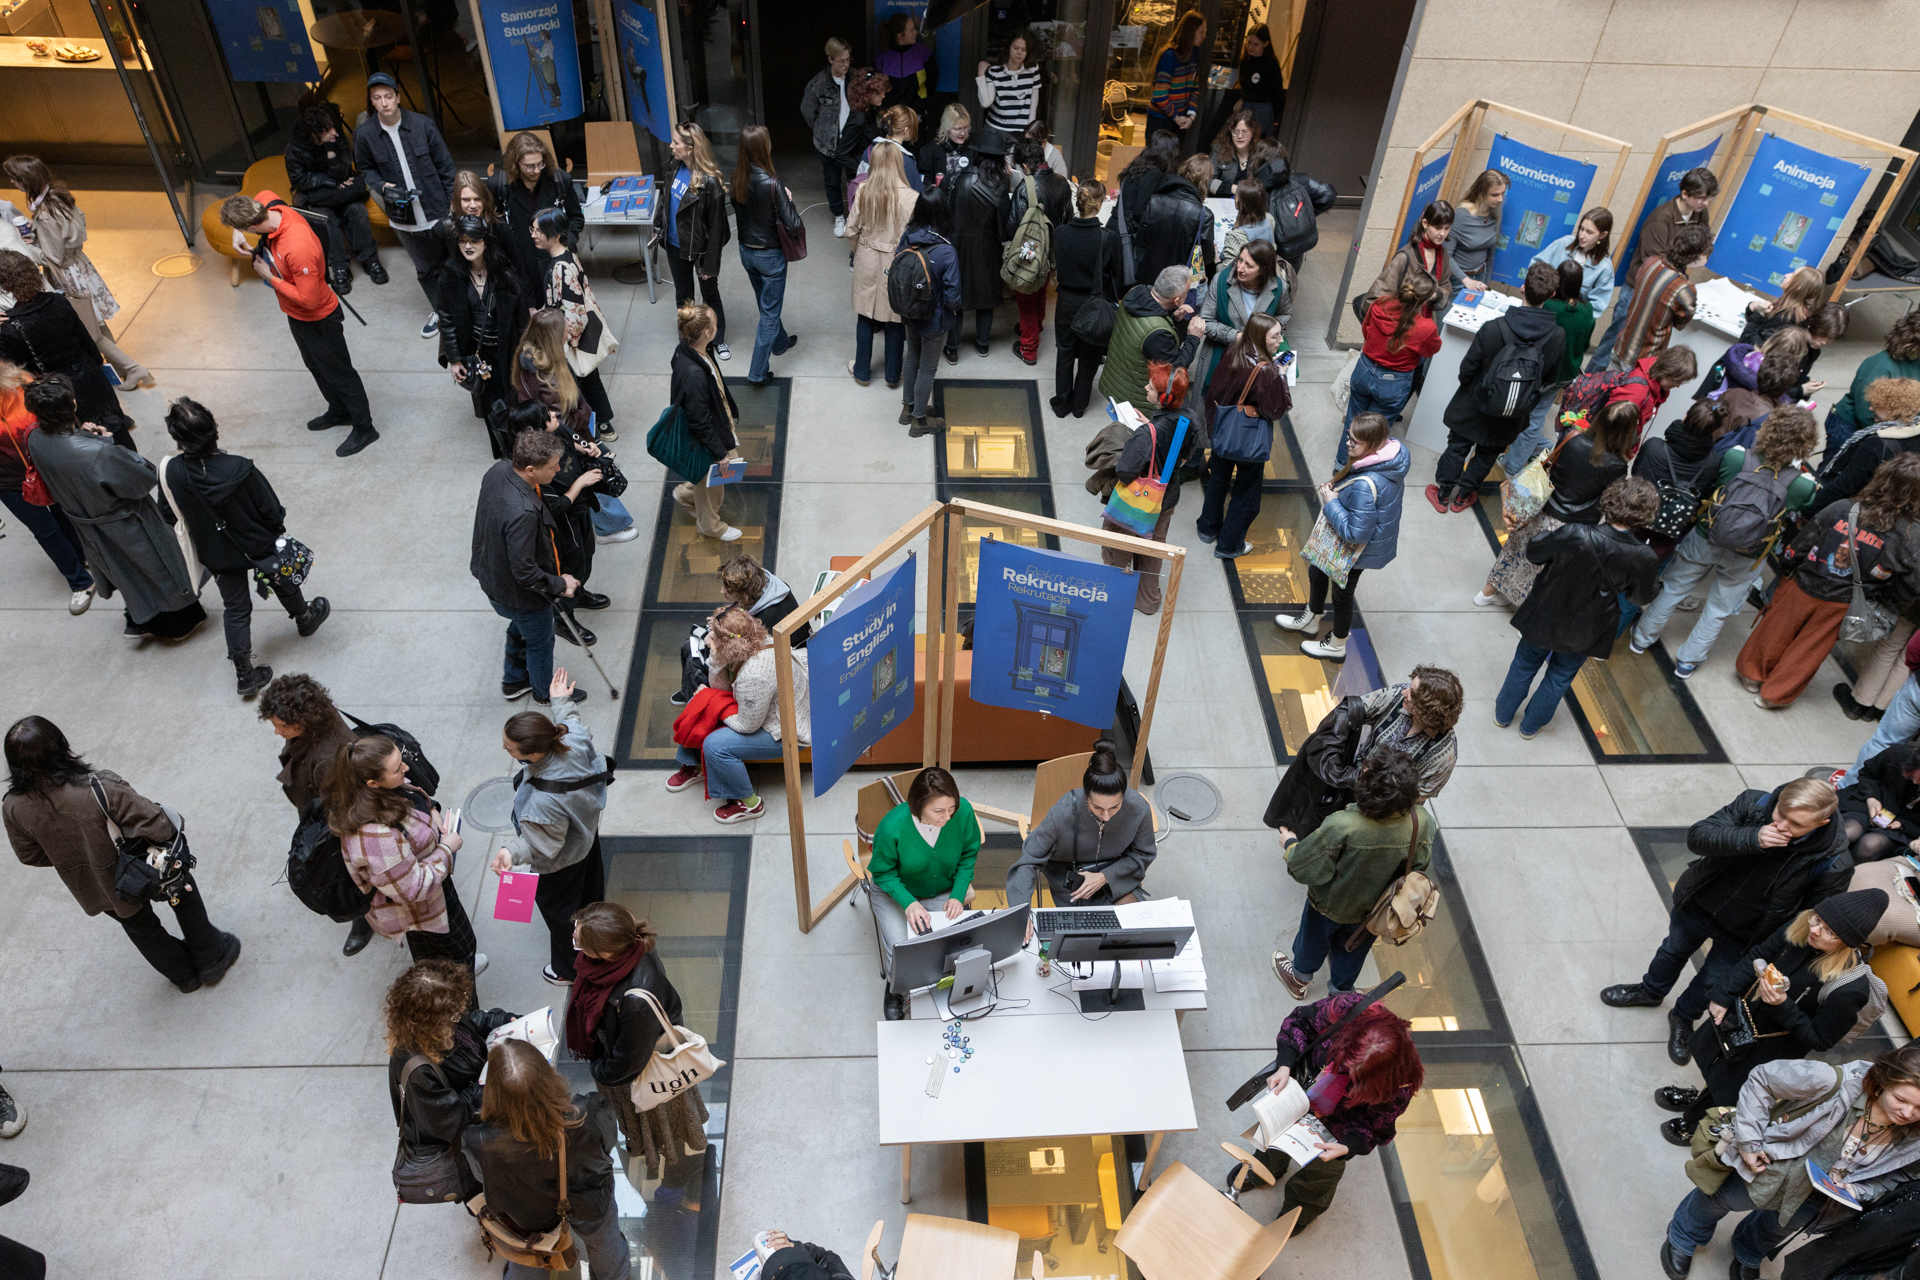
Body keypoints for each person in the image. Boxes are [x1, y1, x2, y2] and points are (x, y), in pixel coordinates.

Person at [1601, 776, 1849, 1068]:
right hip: (1701, 902)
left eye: (1795, 824)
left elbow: (1808, 918)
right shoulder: (1754, 803)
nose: (1782, 826)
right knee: (1672, 950)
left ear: (1820, 823)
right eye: (1781, 813)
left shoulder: (1833, 862)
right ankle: (1651, 990)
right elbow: (1699, 836)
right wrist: (1752, 838)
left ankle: (1683, 1017)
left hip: (1746, 932)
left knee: (1712, 980)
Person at [4, 714, 241, 992]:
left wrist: (75, 859)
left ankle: (185, 977)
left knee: (141, 928)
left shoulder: (13, 807)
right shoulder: (98, 788)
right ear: (60, 746)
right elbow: (157, 825)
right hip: (143, 867)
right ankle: (212, 958)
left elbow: (29, 855)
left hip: (96, 887)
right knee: (182, 893)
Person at [1658, 1045, 1920, 1280]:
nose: (1908, 1113)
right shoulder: (1833, 1080)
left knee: (1778, 1227)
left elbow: (1899, 1176)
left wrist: (1858, 1189)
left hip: (1821, 1196)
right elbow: (1762, 1079)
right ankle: (1684, 1234)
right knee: (1720, 1199)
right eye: (1901, 1099)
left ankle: (1748, 1249)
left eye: (1919, 1108)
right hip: (1774, 1165)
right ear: (1884, 1081)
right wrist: (1749, 1141)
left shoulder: (1916, 1139)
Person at [1660, 889, 1885, 1147]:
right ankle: (1700, 1100)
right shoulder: (1801, 927)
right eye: (1817, 918)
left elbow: (1820, 1040)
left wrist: (1782, 1006)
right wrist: (1723, 994)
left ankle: (1697, 1121)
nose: (1815, 930)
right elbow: (1759, 953)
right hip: (1744, 1016)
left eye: (1829, 932)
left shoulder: (1850, 989)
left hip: (1771, 1045)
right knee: (1713, 1062)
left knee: (1728, 1084)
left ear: (1847, 942)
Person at [155, 397, 330, 696]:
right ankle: (304, 618)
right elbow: (272, 511)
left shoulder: (171, 472)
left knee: (236, 608)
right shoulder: (240, 467)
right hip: (258, 542)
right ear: (214, 429)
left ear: (178, 438)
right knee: (281, 579)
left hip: (216, 552)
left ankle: (245, 674)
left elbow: (169, 515)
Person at [1629, 408, 1821, 678]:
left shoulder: (1736, 457)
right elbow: (1801, 507)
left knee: (1673, 588)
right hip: (1750, 552)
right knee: (1718, 610)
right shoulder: (1803, 485)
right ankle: (1688, 661)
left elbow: (1718, 483)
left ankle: (1641, 638)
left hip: (1707, 535)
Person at [25, 376, 205, 639]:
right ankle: (179, 625)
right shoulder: (97, 452)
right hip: (126, 521)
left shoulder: (34, 438)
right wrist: (104, 442)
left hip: (87, 523)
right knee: (160, 570)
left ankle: (140, 619)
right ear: (72, 404)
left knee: (126, 574)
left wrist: (85, 437)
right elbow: (143, 477)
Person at [1740, 455, 1920, 708]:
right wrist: (1884, 597)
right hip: (1845, 602)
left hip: (1805, 582)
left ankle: (1751, 675)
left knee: (1775, 630)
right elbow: (1913, 583)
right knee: (1810, 649)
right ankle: (1773, 695)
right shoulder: (1912, 536)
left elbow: (1803, 542)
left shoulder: (1843, 508)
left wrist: (1789, 569)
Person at [1493, 477, 1662, 738]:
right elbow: (1640, 597)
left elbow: (1535, 554)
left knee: (1524, 663)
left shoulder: (1576, 533)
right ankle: (1530, 727)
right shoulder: (1644, 556)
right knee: (1560, 676)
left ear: (1610, 500)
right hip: (1590, 626)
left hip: (1546, 612)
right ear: (1645, 515)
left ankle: (1503, 715)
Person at [1242, 994, 1424, 1230]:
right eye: (1345, 1062)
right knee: (1274, 1136)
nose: (1344, 1072)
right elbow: (1299, 1023)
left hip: (1337, 1130)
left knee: (1318, 1178)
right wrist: (1285, 1064)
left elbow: (1375, 1127)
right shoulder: (1347, 1009)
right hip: (1299, 1093)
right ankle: (1262, 1171)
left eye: (1356, 1076)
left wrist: (1347, 1146)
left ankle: (1299, 1213)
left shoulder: (1397, 1087)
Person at [217, 193, 376, 456]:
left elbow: (309, 300)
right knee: (315, 366)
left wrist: (270, 277)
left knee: (340, 373)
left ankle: (364, 427)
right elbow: (262, 194)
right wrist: (236, 231)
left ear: (253, 226)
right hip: (296, 315)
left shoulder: (297, 246)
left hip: (319, 318)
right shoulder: (268, 204)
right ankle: (340, 411)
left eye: (244, 229)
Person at [564, 901, 710, 1180]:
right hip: (629, 1046)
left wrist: (598, 1070)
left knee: (655, 1122)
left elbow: (628, 1064)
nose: (574, 941)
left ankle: (672, 1170)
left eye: (579, 940)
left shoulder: (634, 1001)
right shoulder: (633, 946)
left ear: (604, 952)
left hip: (643, 1072)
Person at [1272, 749, 1433, 999]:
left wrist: (1291, 845)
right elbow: (1420, 866)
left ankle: (1299, 978)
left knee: (1313, 939)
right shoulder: (1421, 821)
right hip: (1377, 908)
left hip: (1330, 903)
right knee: (1355, 949)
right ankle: (1340, 995)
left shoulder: (1343, 824)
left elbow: (1306, 868)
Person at [464, 1040, 631, 1280]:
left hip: (527, 1214)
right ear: (547, 1078)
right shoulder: (587, 1113)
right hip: (587, 1197)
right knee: (603, 1241)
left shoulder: (478, 1139)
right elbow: (607, 1145)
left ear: (492, 1091)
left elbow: (482, 1177)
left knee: (529, 1253)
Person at [488, 673, 609, 986]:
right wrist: (560, 701)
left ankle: (569, 969)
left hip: (561, 862)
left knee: (563, 916)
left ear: (531, 754)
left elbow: (545, 847)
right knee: (590, 891)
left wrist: (510, 851)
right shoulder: (571, 740)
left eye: (508, 748)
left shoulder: (542, 803)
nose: (504, 748)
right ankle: (598, 925)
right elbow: (572, 721)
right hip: (586, 834)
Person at [328, 733, 484, 974]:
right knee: (450, 963)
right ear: (372, 783)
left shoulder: (382, 790)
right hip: (420, 910)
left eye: (401, 760)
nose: (406, 768)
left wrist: (432, 810)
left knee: (461, 948)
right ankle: (463, 991)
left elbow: (415, 800)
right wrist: (446, 850)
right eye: (397, 768)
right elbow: (412, 888)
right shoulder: (375, 836)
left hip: (436, 885)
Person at [1426, 261, 1567, 513]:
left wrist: (1474, 391)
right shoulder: (1557, 336)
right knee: (1488, 454)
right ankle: (1463, 497)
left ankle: (1443, 495)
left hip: (1475, 402)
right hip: (1513, 411)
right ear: (1552, 295)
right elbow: (1549, 379)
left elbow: (1467, 369)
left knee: (1457, 448)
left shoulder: (1494, 328)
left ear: (1522, 288)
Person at [2, 154, 153, 386]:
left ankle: (134, 368)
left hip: (67, 276)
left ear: (25, 179)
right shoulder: (58, 195)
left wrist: (27, 247)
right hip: (81, 268)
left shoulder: (45, 213)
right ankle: (123, 368)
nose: (12, 182)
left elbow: (54, 257)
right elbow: (71, 230)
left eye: (14, 178)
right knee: (98, 324)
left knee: (89, 329)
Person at [1479, 400, 1640, 608]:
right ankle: (1523, 609)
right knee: (1543, 570)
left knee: (1514, 549)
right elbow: (1609, 501)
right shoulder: (1617, 465)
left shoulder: (1573, 438)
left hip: (1539, 507)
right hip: (1572, 525)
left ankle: (1486, 593)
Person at [1276, 412, 1411, 659]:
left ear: (1372, 444)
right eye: (1349, 437)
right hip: (1366, 542)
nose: (1348, 444)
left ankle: (1337, 644)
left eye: (1354, 441)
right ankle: (1313, 616)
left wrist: (1331, 502)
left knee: (1342, 594)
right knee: (1317, 570)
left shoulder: (1365, 482)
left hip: (1357, 552)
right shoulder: (1388, 459)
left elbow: (1355, 534)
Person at [258, 672, 371, 955]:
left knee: (347, 871)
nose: (277, 732)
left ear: (303, 721)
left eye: (281, 725)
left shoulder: (327, 759)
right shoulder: (318, 717)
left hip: (336, 817)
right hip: (320, 801)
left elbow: (342, 814)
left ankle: (362, 917)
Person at [384, 960, 515, 1202]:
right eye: (453, 1013)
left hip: (485, 1108)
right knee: (484, 1187)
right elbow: (452, 1120)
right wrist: (489, 1081)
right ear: (429, 1021)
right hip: (466, 1140)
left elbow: (472, 1021)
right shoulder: (417, 1070)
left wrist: (501, 1021)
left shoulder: (446, 1021)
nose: (460, 1013)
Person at [664, 605, 809, 823]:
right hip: (768, 710)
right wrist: (716, 657)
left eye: (714, 636)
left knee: (715, 745)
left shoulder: (755, 675)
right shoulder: (758, 640)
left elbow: (746, 726)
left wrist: (714, 704)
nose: (709, 638)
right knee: (701, 702)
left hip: (786, 731)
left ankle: (749, 804)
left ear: (727, 642)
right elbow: (722, 688)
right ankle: (693, 766)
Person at [471, 428, 584, 706]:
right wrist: (561, 584)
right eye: (552, 466)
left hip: (494, 578)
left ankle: (514, 680)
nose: (558, 470)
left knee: (522, 626)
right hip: (520, 595)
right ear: (531, 470)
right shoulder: (521, 513)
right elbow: (525, 572)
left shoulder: (498, 471)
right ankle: (544, 692)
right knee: (541, 641)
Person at [865, 766, 980, 1018]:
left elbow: (968, 855)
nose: (947, 817)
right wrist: (908, 902)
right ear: (918, 806)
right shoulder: (893, 826)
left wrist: (957, 894)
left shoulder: (963, 813)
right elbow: (882, 873)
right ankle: (896, 989)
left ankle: (941, 985)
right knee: (902, 949)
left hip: (941, 888)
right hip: (894, 892)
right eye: (939, 811)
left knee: (953, 943)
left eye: (952, 808)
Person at [350, 73, 454, 340]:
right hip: (402, 217)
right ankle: (441, 312)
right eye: (377, 98)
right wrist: (381, 185)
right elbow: (365, 167)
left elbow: (445, 166)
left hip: (437, 209)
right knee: (424, 268)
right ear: (371, 102)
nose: (384, 103)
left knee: (454, 262)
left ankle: (466, 310)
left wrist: (452, 204)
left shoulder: (422, 124)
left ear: (397, 97)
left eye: (388, 96)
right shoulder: (365, 134)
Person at [1588, 166, 1717, 373]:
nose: (1706, 203)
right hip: (1639, 288)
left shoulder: (1700, 214)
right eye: (1701, 198)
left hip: (1666, 286)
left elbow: (1704, 243)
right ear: (1685, 194)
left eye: (1708, 198)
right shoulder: (1660, 219)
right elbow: (1658, 263)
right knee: (1614, 343)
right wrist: (1692, 264)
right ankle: (1587, 383)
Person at [1104, 361, 1205, 614]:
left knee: (1118, 547)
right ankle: (1148, 601)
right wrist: (1150, 424)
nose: (1145, 388)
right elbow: (1183, 456)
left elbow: (1125, 472)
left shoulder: (1145, 436)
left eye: (1150, 387)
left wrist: (1144, 433)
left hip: (1137, 501)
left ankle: (1114, 596)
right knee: (1152, 549)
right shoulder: (1190, 419)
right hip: (1166, 499)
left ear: (1164, 398)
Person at [0, 249, 130, 443]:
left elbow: (15, 375)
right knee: (116, 429)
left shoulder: (10, 328)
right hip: (89, 375)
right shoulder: (59, 301)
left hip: (59, 394)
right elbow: (88, 344)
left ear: (5, 284)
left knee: (87, 442)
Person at [1006, 741, 1156, 909]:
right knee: (1083, 925)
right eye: (1097, 807)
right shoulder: (1063, 813)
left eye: (1115, 807)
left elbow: (1143, 854)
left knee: (1133, 921)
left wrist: (1104, 877)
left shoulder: (1137, 808)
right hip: (1071, 885)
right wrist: (1020, 910)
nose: (1106, 816)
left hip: (1116, 880)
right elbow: (1027, 862)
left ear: (1123, 796)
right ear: (1085, 797)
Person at [0, 360, 92, 612]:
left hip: (46, 466)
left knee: (66, 514)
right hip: (8, 482)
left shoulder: (22, 384)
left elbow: (51, 419)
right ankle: (80, 582)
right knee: (46, 532)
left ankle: (82, 556)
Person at [1199, 314, 1293, 558]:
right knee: (1246, 493)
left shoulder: (1234, 349)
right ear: (1261, 338)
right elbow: (1276, 410)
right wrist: (1281, 374)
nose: (1280, 341)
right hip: (1248, 440)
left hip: (1223, 429)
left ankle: (1207, 528)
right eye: (1275, 336)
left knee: (1218, 480)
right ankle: (1229, 545)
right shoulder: (1266, 371)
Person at [1494, 258, 1597, 477]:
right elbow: (1585, 344)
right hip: (1566, 373)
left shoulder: (1550, 306)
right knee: (1539, 411)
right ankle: (1540, 444)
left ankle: (1512, 465)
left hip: (1544, 372)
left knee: (1532, 417)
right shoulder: (1587, 310)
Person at [674, 553, 813, 705]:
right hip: (757, 642)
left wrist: (717, 636)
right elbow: (743, 611)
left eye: (728, 589)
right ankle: (688, 689)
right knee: (688, 647)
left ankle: (696, 698)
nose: (722, 591)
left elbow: (742, 651)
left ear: (744, 593)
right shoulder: (767, 588)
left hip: (773, 657)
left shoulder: (766, 620)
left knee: (694, 660)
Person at [435, 213, 529, 432]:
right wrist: (455, 359)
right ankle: (500, 446)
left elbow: (522, 319)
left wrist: (527, 354)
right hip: (476, 352)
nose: (468, 246)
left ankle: (518, 445)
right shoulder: (450, 275)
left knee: (515, 401)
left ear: (486, 242)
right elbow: (446, 320)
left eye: (474, 240)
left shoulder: (504, 273)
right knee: (489, 405)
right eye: (462, 241)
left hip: (508, 349)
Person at [531, 208, 618, 427]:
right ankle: (603, 422)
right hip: (571, 334)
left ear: (556, 234)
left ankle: (598, 426)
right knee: (589, 379)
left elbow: (574, 313)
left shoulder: (560, 268)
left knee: (580, 383)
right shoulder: (568, 256)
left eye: (539, 231)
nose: (534, 235)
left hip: (568, 337)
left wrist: (566, 344)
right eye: (532, 230)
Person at [731, 125, 803, 386]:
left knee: (766, 302)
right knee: (769, 314)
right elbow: (793, 225)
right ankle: (757, 372)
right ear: (764, 148)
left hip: (746, 252)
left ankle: (780, 342)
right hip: (770, 257)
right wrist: (788, 199)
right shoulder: (773, 184)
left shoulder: (736, 178)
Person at [281, 106, 380, 293]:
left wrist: (331, 152)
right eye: (328, 130)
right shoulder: (294, 150)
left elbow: (344, 172)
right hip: (316, 194)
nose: (335, 132)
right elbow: (300, 180)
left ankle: (370, 260)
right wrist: (329, 182)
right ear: (314, 134)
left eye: (334, 127)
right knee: (324, 219)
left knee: (357, 210)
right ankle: (340, 267)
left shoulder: (336, 140)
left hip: (338, 190)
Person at [1342, 268, 1440, 451]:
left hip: (1364, 369)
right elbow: (1431, 350)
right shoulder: (1426, 327)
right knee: (1375, 432)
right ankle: (1361, 466)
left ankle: (1342, 462)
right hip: (1393, 382)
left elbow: (1366, 331)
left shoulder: (1380, 304)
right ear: (1425, 300)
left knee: (1353, 421)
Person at [656, 122, 730, 360]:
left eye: (675, 142)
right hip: (675, 246)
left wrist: (710, 265)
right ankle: (688, 340)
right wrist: (660, 226)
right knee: (683, 296)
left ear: (690, 148)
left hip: (700, 252)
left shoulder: (710, 182)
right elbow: (667, 201)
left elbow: (718, 229)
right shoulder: (674, 166)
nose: (671, 146)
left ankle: (717, 339)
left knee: (710, 295)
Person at [846, 142, 918, 389]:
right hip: (897, 261)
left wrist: (860, 249)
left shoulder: (864, 190)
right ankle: (892, 375)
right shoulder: (912, 197)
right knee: (895, 317)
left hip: (867, 256)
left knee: (865, 315)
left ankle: (862, 372)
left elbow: (850, 230)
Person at [670, 302, 743, 540]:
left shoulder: (687, 350)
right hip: (708, 437)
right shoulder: (695, 374)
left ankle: (686, 494)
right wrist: (719, 453)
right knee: (713, 482)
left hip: (715, 426)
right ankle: (710, 526)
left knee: (712, 473)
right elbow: (700, 422)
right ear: (708, 332)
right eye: (715, 324)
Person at [487, 132, 585, 307]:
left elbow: (576, 217)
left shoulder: (560, 180)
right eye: (529, 166)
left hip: (557, 261)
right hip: (521, 265)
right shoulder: (499, 186)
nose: (537, 170)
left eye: (540, 164)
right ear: (516, 163)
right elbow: (495, 227)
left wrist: (564, 244)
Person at [897, 187, 962, 438]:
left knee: (912, 356)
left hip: (910, 311)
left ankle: (908, 407)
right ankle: (920, 420)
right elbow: (953, 297)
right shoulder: (946, 251)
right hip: (935, 320)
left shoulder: (907, 237)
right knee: (927, 368)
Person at [1049, 179, 1116, 419]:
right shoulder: (1107, 238)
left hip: (1066, 301)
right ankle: (1079, 406)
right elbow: (1113, 276)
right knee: (1089, 356)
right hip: (1094, 303)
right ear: (1098, 205)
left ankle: (1062, 404)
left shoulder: (1061, 233)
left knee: (1064, 352)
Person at [1100, 265, 1202, 416]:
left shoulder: (1135, 292)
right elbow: (1175, 369)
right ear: (1176, 300)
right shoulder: (1158, 334)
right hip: (1135, 400)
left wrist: (1173, 317)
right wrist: (1193, 337)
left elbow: (1143, 331)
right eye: (1186, 292)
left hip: (1116, 380)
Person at [1611, 222, 1712, 371]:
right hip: (1642, 360)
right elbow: (1680, 324)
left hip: (1621, 346)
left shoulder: (1651, 262)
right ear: (1696, 256)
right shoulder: (1684, 289)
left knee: (1607, 385)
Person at [1811, 378, 1920, 515]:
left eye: (1876, 405)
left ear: (1894, 409)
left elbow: (1844, 486)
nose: (1870, 408)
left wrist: (1809, 510)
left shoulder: (1875, 444)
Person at [1005, 137, 1071, 366]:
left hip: (1031, 249)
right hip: (1054, 250)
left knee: (1025, 297)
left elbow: (1013, 226)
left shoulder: (1026, 187)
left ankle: (1029, 348)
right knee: (1040, 293)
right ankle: (1035, 327)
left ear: (1025, 165)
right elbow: (1068, 218)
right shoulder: (1063, 183)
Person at [1195, 239, 1286, 390]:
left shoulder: (1278, 288)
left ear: (1262, 270)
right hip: (1221, 356)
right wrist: (1236, 336)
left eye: (1249, 265)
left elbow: (1284, 314)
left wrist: (1268, 332)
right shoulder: (1221, 281)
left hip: (1257, 360)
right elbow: (1206, 321)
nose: (1240, 268)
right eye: (1240, 260)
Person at [950, 129, 1009, 360]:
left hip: (956, 247)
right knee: (986, 299)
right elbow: (1003, 226)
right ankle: (983, 344)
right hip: (987, 249)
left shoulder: (957, 179)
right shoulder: (999, 185)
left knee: (956, 298)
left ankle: (952, 349)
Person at [1828, 313, 1920, 456]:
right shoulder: (1879, 366)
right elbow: (1867, 413)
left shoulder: (1915, 361)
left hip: (1891, 427)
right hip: (1850, 427)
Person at [801, 38, 859, 237]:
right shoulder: (818, 84)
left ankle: (855, 214)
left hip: (852, 141)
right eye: (841, 60)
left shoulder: (855, 78)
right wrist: (822, 130)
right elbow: (808, 112)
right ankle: (839, 216)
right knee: (832, 180)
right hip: (828, 143)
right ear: (830, 59)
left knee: (856, 179)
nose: (846, 64)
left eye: (848, 59)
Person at [1136, 148, 1215, 288]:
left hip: (1149, 276)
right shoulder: (1204, 215)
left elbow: (1140, 241)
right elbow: (1207, 258)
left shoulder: (1155, 201)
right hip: (1179, 283)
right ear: (1205, 182)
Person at [1358, 200, 1452, 314]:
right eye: (1438, 228)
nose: (1442, 233)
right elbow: (1375, 298)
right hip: (1401, 320)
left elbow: (1445, 286)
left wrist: (1435, 295)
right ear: (1425, 223)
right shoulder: (1404, 256)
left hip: (1424, 318)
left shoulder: (1443, 254)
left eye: (1447, 228)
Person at [1840, 745, 1920, 862]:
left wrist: (1903, 824)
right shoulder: (1898, 754)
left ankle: (1842, 872)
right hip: (1872, 801)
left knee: (1870, 845)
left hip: (1907, 825)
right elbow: (1867, 774)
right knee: (1848, 833)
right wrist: (1871, 797)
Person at [1529, 206, 1615, 313]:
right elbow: (1535, 266)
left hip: (1571, 316)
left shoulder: (1604, 268)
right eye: (1581, 229)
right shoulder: (1563, 243)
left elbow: (1596, 307)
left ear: (1602, 235)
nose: (1582, 235)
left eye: (1589, 232)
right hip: (1541, 308)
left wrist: (1573, 314)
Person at [1445, 170, 1507, 301]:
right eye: (1495, 194)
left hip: (1479, 278)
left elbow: (1491, 252)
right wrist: (1466, 280)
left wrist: (1486, 282)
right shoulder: (1461, 215)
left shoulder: (1494, 212)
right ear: (1481, 193)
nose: (1500, 199)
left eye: (1502, 193)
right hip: (1457, 281)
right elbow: (1445, 255)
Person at [1146, 12, 1207, 140]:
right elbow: (1160, 95)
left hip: (1180, 119)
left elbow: (1195, 86)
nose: (1204, 36)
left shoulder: (1195, 53)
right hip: (1161, 119)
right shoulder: (1170, 56)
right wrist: (1176, 117)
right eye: (1201, 32)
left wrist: (1191, 115)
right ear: (1191, 33)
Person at [876, 12, 935, 133]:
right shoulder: (882, 57)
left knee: (917, 144)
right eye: (912, 29)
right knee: (891, 145)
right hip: (891, 119)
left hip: (916, 116)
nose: (916, 32)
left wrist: (921, 104)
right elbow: (877, 90)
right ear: (900, 35)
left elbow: (932, 82)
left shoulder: (923, 53)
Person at [976, 28, 1042, 136]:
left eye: (1023, 49)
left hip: (1020, 130)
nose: (1019, 52)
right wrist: (981, 74)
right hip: (995, 128)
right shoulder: (995, 71)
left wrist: (1030, 131)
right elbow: (985, 103)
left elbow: (1033, 105)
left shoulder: (1033, 70)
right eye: (1016, 48)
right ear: (1008, 48)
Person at [1234, 22, 1284, 135]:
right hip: (1245, 104)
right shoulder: (1245, 60)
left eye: (1256, 44)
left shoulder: (1270, 64)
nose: (1250, 47)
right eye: (1249, 42)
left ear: (1265, 44)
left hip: (1262, 108)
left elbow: (1277, 93)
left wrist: (1277, 119)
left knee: (1256, 138)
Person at [1218, 181, 1275, 270]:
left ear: (1241, 204)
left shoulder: (1235, 236)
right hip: (1265, 268)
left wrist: (1217, 261)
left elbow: (1226, 271)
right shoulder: (1269, 218)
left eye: (1236, 196)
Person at [919, 104, 975, 190]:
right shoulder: (929, 151)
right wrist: (931, 188)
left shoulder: (974, 147)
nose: (963, 133)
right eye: (958, 129)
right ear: (947, 128)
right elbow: (924, 180)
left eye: (966, 128)